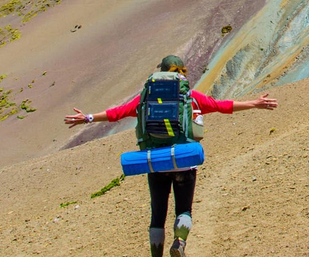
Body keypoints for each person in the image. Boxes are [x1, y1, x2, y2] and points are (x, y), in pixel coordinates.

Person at [64, 55, 278, 257]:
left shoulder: (146, 97)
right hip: (184, 161)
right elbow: (221, 106)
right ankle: (179, 242)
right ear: (181, 71)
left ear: (161, 72)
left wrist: (88, 118)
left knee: (157, 215)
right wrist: (254, 103)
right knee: (183, 209)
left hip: (156, 161)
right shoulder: (190, 97)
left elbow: (116, 113)